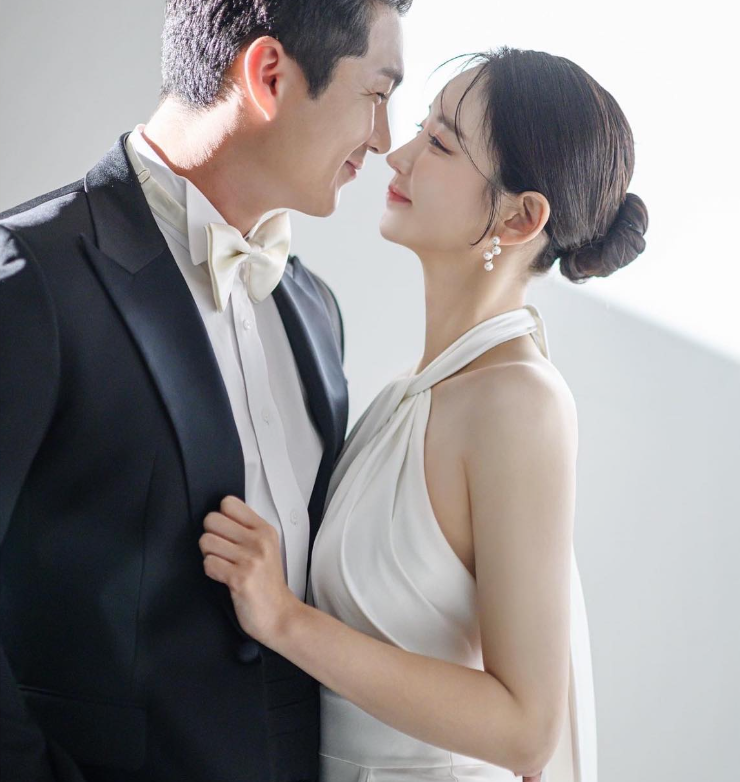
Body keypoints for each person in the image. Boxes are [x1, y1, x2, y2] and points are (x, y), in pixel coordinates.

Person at [0, 0, 416, 782]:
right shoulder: (33, 276)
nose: (383, 140)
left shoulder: (314, 307)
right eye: (377, 95)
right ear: (268, 74)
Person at [197, 48, 649, 781]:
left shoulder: (519, 404)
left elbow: (527, 730)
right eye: (421, 129)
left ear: (521, 216)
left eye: (440, 143)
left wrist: (283, 618)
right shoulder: (407, 392)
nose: (396, 155)